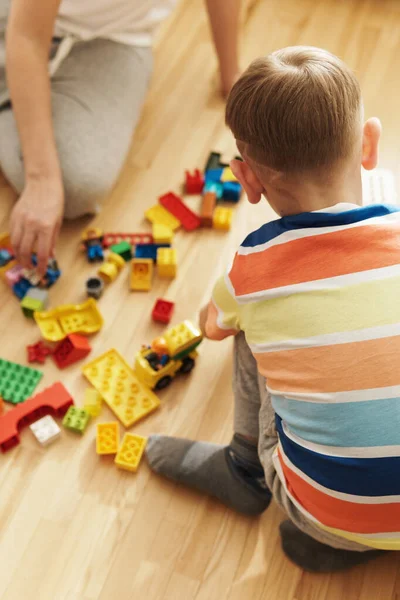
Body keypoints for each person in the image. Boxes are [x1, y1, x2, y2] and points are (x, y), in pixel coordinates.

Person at [145, 46, 400, 572]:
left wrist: (225, 311)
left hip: (325, 513)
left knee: (246, 325)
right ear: (369, 145)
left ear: (248, 179)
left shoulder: (255, 269)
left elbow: (211, 327)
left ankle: (244, 469)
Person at [0, 0, 242, 275]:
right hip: (18, 19)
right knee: (51, 178)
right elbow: (27, 37)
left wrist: (230, 73)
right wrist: (40, 178)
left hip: (115, 39)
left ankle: (23, 94)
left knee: (76, 185)